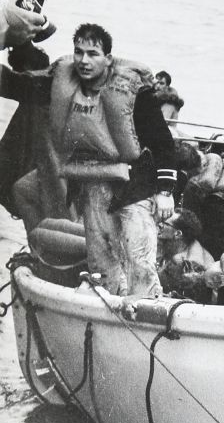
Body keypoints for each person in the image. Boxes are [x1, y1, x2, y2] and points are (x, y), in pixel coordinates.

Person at [0, 22, 177, 296]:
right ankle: (107, 311)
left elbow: (163, 143)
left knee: (139, 261)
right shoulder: (62, 84)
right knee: (102, 265)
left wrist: (165, 191)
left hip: (135, 188)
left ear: (108, 58)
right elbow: (19, 85)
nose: (84, 60)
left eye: (93, 53)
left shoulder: (134, 92)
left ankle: (147, 307)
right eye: (79, 52)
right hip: (93, 185)